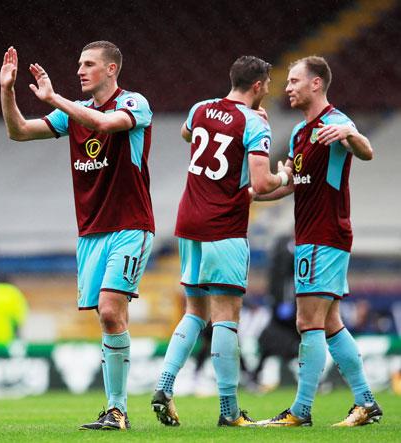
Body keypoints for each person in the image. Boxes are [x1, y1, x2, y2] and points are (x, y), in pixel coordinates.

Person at [0, 42, 154, 431]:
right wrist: (7, 91)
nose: (80, 71)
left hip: (129, 225)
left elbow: (105, 124)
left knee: (109, 309)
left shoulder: (135, 103)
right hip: (90, 232)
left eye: (89, 64)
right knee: (108, 319)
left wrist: (54, 98)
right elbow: (18, 132)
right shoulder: (71, 115)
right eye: (78, 64)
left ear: (112, 69)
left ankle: (117, 410)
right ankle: (114, 411)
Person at [151, 56, 293, 428]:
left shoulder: (200, 109)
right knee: (226, 318)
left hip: (189, 221)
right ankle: (229, 410)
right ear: (259, 86)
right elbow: (261, 185)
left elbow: (187, 134)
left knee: (194, 313)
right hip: (224, 226)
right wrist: (283, 176)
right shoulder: (253, 122)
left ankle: (164, 384)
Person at [254, 56, 381, 427]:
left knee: (306, 321)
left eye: (294, 80)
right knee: (328, 323)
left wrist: (349, 136)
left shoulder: (337, 122)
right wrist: (253, 194)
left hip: (325, 235)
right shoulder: (298, 134)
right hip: (311, 235)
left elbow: (366, 150)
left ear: (316, 84)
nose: (287, 87)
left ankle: (300, 411)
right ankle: (366, 403)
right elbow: (292, 184)